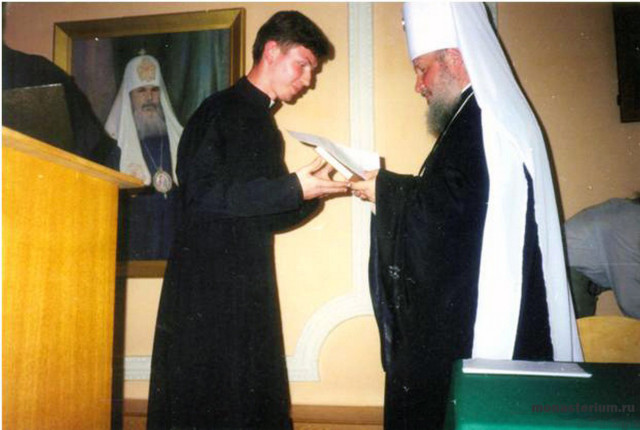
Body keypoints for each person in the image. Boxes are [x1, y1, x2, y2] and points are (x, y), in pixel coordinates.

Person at [351, 3, 583, 429]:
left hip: (481, 313)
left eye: (422, 69)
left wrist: (385, 190)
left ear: (454, 60)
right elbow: (457, 202)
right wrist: (386, 190)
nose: (418, 85)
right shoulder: (474, 117)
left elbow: (454, 211)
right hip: (469, 297)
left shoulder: (483, 121)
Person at [146, 11, 348, 430]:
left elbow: (263, 216)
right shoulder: (218, 111)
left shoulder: (262, 122)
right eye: (303, 65)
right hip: (207, 289)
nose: (308, 80)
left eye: (312, 70)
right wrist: (292, 188)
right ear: (271, 51)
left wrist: (315, 193)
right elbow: (201, 196)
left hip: (246, 287)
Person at [105, 54, 183, 260]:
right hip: (136, 236)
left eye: (154, 90)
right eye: (141, 91)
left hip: (175, 233)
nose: (149, 98)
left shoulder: (179, 139)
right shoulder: (114, 145)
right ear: (129, 96)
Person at [565, 197, 640, 319]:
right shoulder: (630, 224)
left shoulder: (630, 214)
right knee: (577, 330)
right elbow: (630, 301)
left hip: (575, 274)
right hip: (569, 273)